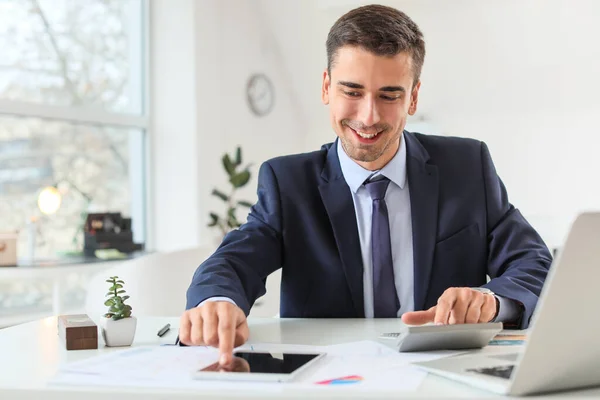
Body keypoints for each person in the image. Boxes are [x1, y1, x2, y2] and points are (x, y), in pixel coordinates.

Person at [179, 4, 552, 367]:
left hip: (444, 376)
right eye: (352, 91)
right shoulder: (288, 182)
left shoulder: (467, 166)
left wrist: (491, 300)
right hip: (329, 378)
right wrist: (216, 302)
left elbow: (533, 262)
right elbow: (233, 262)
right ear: (327, 87)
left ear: (414, 97)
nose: (368, 116)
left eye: (389, 95)